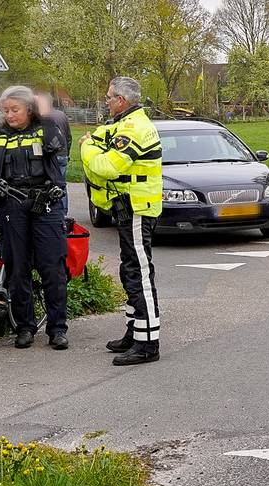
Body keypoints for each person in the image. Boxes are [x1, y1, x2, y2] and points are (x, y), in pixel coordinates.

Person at [0, 85, 71, 350]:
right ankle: (24, 327)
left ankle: (57, 328)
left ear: (28, 109)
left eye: (15, 109)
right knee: (17, 269)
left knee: (51, 267)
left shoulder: (46, 128)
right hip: (11, 207)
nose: (9, 115)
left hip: (45, 206)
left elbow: (58, 154)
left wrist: (46, 115)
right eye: (6, 110)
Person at [80, 76, 164, 366]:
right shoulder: (124, 124)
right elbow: (103, 136)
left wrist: (86, 148)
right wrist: (94, 141)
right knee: (131, 271)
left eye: (108, 97)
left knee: (138, 273)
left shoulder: (135, 128)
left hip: (137, 208)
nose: (105, 101)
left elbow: (107, 166)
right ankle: (135, 330)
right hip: (129, 207)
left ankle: (148, 343)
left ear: (122, 101)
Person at [35, 92, 72, 212]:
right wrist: (67, 153)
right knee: (62, 184)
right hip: (63, 153)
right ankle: (64, 211)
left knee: (51, 184)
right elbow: (68, 136)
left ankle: (53, 210)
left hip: (52, 155)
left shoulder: (42, 116)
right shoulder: (62, 115)